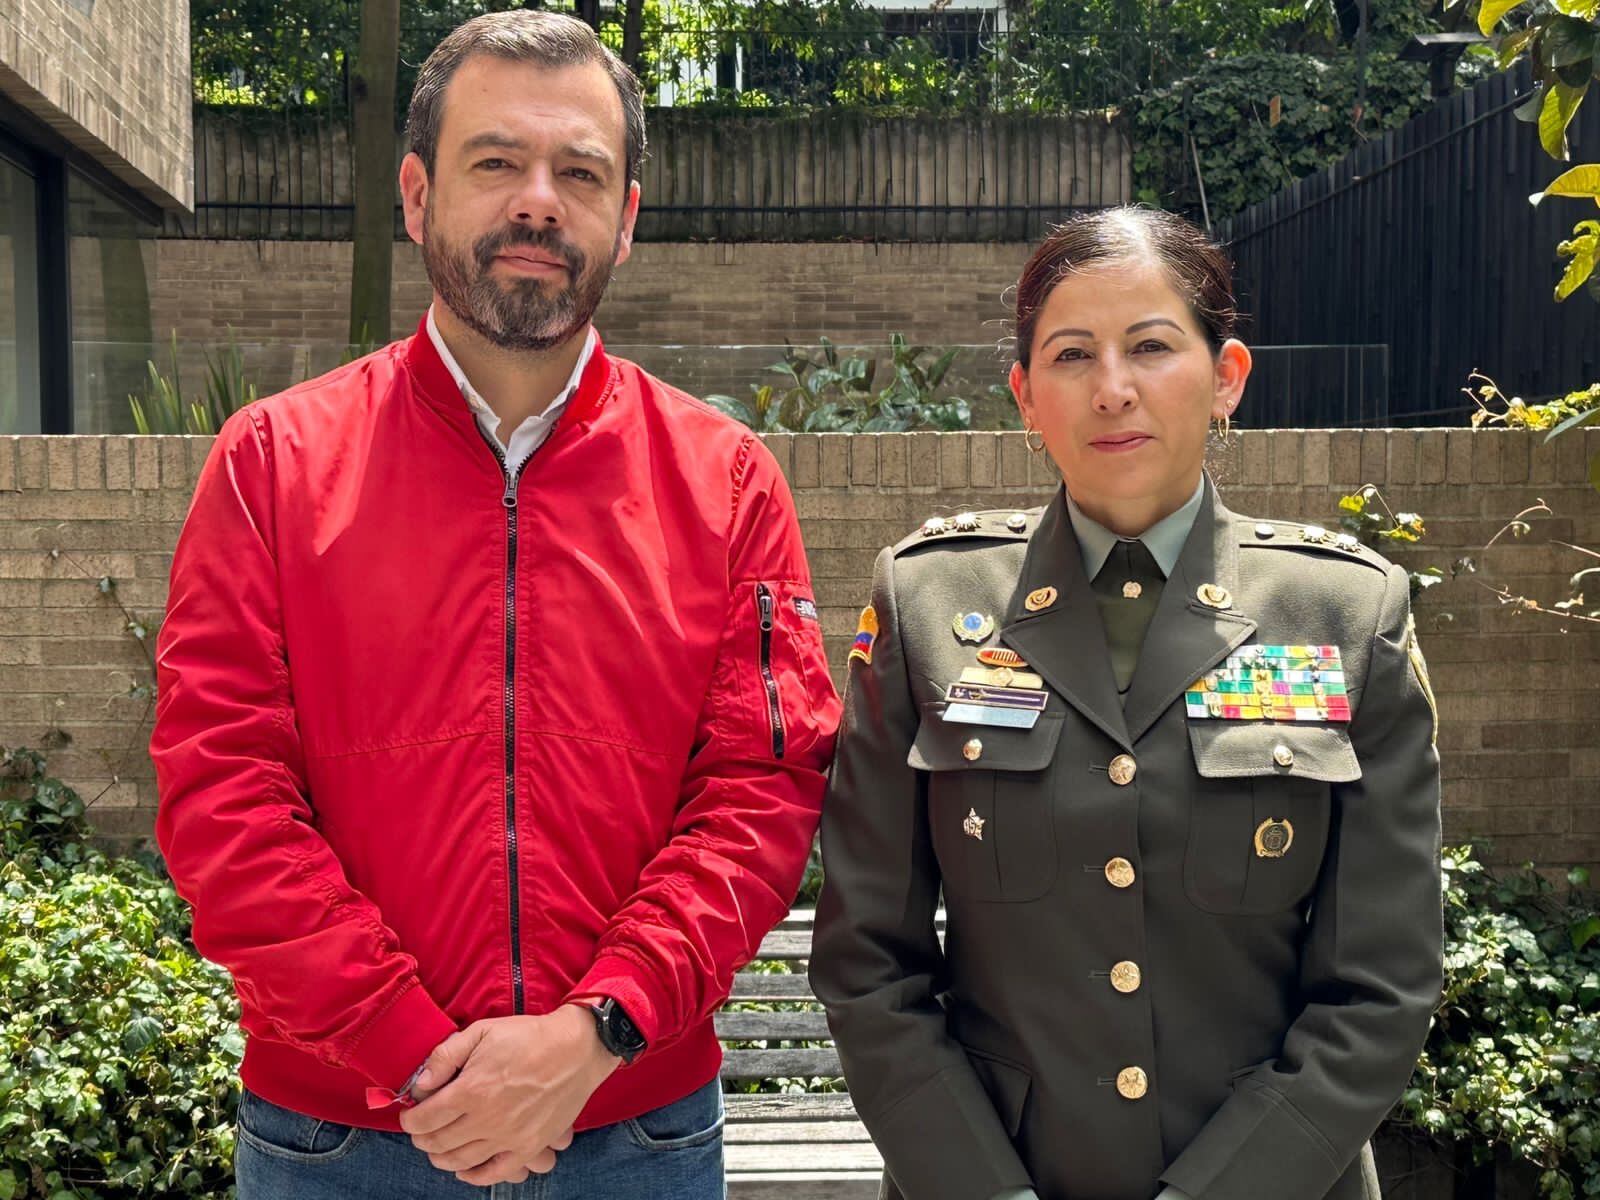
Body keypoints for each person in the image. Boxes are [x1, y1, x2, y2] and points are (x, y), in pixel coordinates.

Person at [151, 12, 839, 1197]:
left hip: (636, 1131)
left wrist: (595, 1036)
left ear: (625, 216)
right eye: (495, 162)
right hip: (343, 1138)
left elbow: (760, 796)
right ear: (416, 195)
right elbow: (221, 794)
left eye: (579, 172)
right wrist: (420, 1061)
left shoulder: (728, 484)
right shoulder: (270, 464)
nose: (537, 201)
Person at [809, 206, 1442, 1200]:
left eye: (1150, 346)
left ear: (1225, 376)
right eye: (1071, 356)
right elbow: (866, 965)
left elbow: (1380, 985)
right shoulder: (930, 603)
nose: (1112, 390)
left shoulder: (1341, 613)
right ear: (1024, 396)